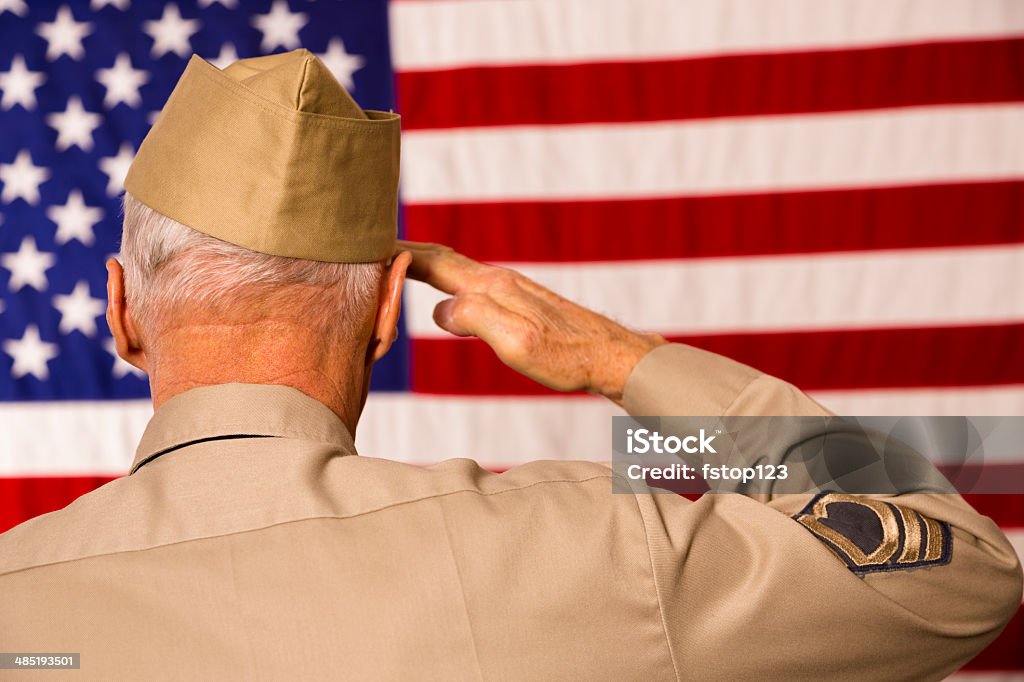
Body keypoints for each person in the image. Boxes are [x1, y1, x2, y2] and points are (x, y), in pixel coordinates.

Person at [0, 50, 1020, 681]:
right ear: (388, 313)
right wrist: (627, 363)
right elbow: (961, 566)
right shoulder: (589, 544)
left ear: (120, 311)